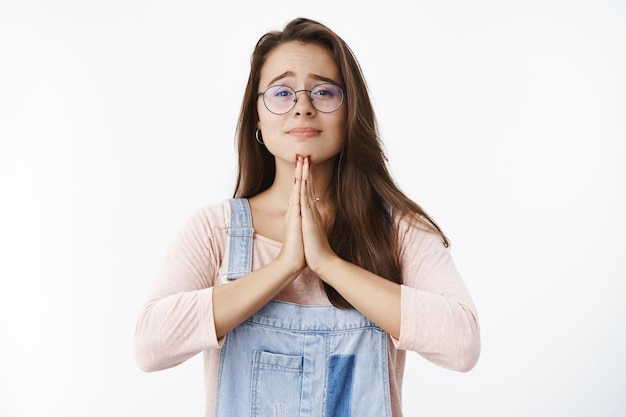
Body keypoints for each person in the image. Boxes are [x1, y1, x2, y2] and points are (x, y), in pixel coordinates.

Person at [133, 17, 480, 417]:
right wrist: (284, 266)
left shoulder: (398, 230)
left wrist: (327, 263)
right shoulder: (216, 230)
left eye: (324, 92)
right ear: (257, 119)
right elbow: (149, 346)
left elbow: (463, 345)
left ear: (350, 114)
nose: (303, 107)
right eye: (282, 93)